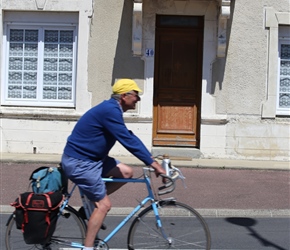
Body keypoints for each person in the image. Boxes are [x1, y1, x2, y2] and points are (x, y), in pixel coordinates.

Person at [61, 78, 166, 250]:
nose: (138, 99)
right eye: (136, 95)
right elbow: (127, 140)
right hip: (81, 163)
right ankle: (88, 248)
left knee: (126, 172)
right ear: (124, 96)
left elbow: (128, 136)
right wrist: (153, 164)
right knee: (104, 205)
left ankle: (90, 202)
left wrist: (151, 159)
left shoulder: (112, 109)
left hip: (93, 159)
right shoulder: (110, 111)